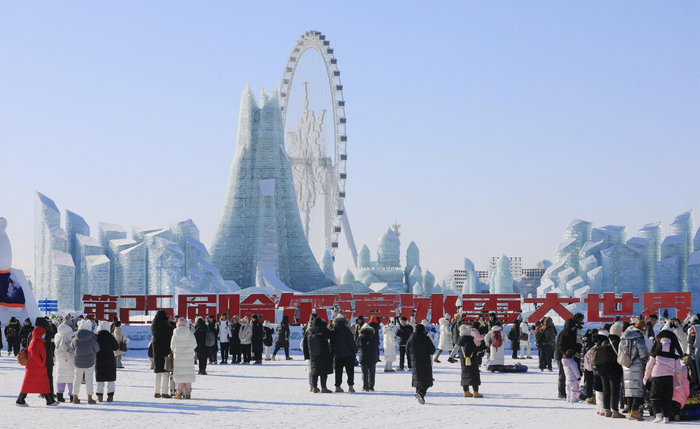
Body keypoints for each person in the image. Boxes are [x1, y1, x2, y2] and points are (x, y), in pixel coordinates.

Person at [644, 334, 682, 423]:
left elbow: (649, 366)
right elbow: (678, 370)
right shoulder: (675, 356)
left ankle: (658, 415)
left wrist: (646, 376)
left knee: (655, 396)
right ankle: (666, 417)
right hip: (669, 377)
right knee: (667, 397)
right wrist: (679, 380)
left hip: (657, 377)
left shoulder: (655, 354)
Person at [16, 325, 57, 407]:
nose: (44, 335)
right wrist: (41, 363)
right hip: (35, 367)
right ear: (39, 333)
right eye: (43, 333)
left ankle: (50, 400)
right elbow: (34, 354)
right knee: (30, 383)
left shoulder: (37, 341)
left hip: (36, 367)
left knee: (43, 383)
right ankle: (20, 400)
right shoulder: (35, 342)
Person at [619, 320, 649, 421]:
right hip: (637, 366)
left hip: (626, 365)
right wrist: (647, 358)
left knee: (629, 390)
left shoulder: (624, 337)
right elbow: (643, 354)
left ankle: (630, 411)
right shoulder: (638, 338)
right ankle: (634, 411)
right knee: (637, 389)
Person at [599, 321, 625, 418]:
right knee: (614, 390)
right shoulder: (618, 343)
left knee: (606, 390)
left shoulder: (605, 342)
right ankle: (615, 410)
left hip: (604, 369)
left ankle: (607, 410)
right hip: (615, 370)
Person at [556, 313, 584, 399]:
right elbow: (562, 347)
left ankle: (568, 392)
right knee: (563, 374)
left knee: (569, 374)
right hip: (562, 357)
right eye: (572, 327)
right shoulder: (564, 334)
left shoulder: (571, 333)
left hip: (568, 357)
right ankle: (561, 392)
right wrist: (568, 354)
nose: (573, 328)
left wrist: (574, 353)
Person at [71, 319, 100, 405]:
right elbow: (97, 349)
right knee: (89, 379)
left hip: (78, 362)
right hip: (89, 361)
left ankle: (75, 397)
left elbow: (71, 348)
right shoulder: (92, 339)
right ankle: (89, 398)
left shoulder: (75, 339)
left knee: (77, 379)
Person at [302, 316, 334, 393]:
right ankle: (324, 388)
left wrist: (307, 356)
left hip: (313, 354)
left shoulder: (308, 331)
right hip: (324, 354)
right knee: (323, 371)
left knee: (314, 371)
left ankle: (314, 387)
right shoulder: (323, 329)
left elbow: (304, 344)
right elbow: (332, 335)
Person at [406, 323, 435, 404]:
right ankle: (421, 393)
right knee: (427, 380)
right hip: (425, 361)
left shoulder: (411, 338)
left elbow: (407, 349)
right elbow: (432, 350)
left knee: (417, 378)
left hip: (414, 361)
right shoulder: (425, 338)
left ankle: (419, 394)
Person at [457, 324, 487, 398]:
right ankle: (475, 392)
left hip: (464, 362)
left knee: (465, 375)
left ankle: (466, 391)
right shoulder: (469, 340)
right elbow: (475, 349)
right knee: (474, 375)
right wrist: (483, 347)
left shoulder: (460, 341)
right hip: (472, 361)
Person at [171, 317, 197, 399]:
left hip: (178, 357)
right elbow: (195, 345)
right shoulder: (190, 333)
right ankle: (188, 393)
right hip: (188, 357)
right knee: (188, 374)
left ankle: (179, 392)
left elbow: (172, 346)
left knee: (179, 374)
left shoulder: (175, 334)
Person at [151, 310, 174, 398]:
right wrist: (170, 322)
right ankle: (164, 392)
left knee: (158, 372)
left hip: (156, 350)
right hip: (165, 350)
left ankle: (156, 392)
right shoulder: (165, 326)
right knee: (165, 372)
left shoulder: (154, 325)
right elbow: (172, 330)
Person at [95, 321, 119, 402]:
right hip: (110, 360)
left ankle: (99, 396)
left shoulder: (96, 337)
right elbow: (116, 347)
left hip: (99, 359)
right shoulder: (110, 336)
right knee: (111, 379)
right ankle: (110, 396)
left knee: (100, 378)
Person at [331, 315, 357, 392]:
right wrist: (355, 350)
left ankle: (337, 386)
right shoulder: (346, 329)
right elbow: (351, 341)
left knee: (338, 371)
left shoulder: (333, 330)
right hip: (348, 353)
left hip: (337, 354)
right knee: (350, 371)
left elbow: (331, 343)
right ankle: (350, 386)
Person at [54, 322, 75, 402]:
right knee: (71, 378)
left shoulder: (57, 336)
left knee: (60, 377)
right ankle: (72, 396)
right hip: (70, 358)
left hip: (60, 359)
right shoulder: (72, 335)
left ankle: (60, 395)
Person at [357, 323, 379, 392]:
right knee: (372, 373)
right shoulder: (374, 337)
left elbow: (358, 345)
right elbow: (377, 344)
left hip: (363, 356)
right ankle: (371, 387)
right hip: (372, 356)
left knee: (365, 373)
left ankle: (365, 387)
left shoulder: (360, 337)